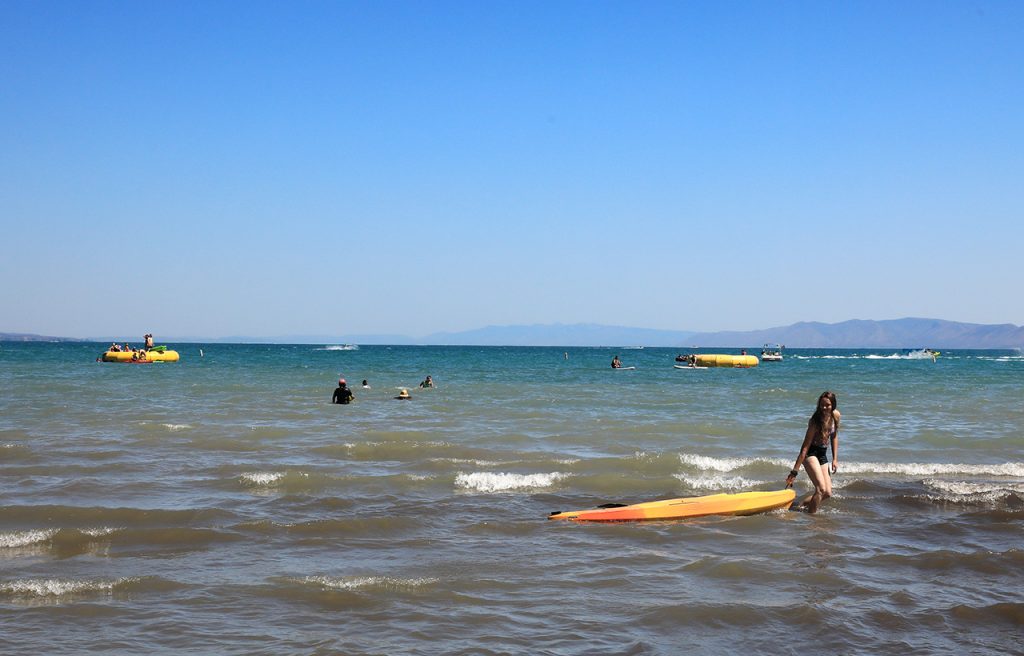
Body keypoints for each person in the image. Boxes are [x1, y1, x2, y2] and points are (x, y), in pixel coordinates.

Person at [786, 391, 841, 513]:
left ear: (833, 404)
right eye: (822, 405)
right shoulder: (815, 421)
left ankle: (801, 504)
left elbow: (834, 436)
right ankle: (813, 519)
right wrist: (794, 472)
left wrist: (835, 459)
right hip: (811, 453)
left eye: (827, 405)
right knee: (820, 489)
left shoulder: (836, 416)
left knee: (827, 493)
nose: (824, 408)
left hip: (822, 454)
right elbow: (805, 447)